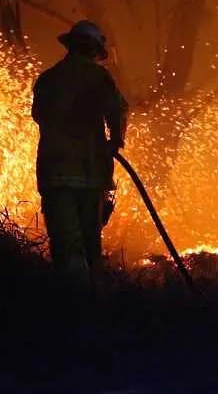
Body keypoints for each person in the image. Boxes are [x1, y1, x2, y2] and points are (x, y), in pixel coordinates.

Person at [32, 20, 128, 292]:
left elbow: (39, 114)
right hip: (90, 174)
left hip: (55, 174)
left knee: (65, 244)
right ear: (96, 51)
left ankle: (68, 305)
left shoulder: (48, 78)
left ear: (71, 46)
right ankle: (90, 305)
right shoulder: (99, 78)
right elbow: (118, 110)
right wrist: (115, 140)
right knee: (90, 244)